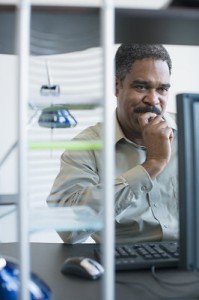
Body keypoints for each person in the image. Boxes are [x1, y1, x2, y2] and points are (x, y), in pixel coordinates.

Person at [47, 44, 178, 244]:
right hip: (123, 264)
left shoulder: (191, 132)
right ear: (117, 86)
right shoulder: (87, 146)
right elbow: (68, 230)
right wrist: (152, 164)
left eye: (161, 89)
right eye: (141, 87)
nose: (153, 100)